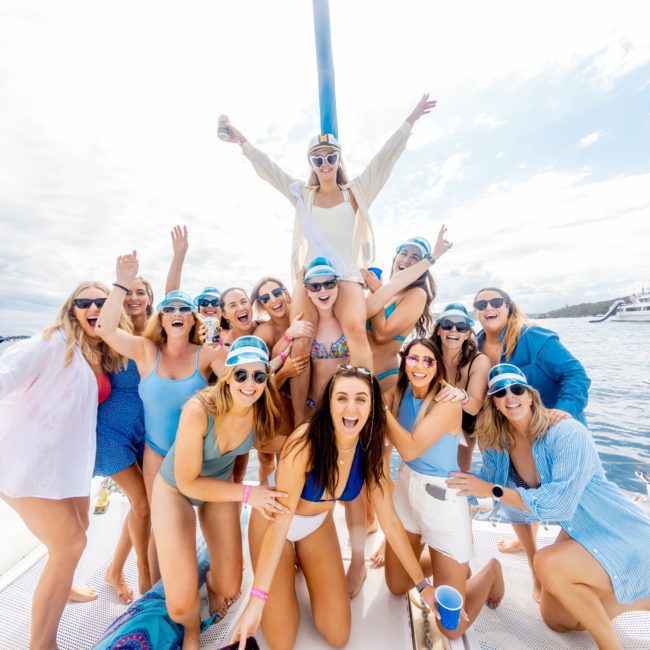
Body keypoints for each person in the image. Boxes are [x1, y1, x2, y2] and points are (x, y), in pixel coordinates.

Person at [222, 94, 438, 425]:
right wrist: (242, 142)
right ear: (311, 163)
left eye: (330, 157)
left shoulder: (357, 191)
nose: (325, 164)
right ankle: (298, 418)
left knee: (354, 329)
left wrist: (410, 120)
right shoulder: (302, 194)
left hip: (347, 275)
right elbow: (270, 171)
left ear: (338, 158)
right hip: (310, 276)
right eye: (318, 159)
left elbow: (385, 160)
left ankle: (365, 404)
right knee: (301, 338)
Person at [229, 366, 439, 650]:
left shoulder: (370, 449)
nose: (351, 408)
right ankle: (286, 565)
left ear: (373, 406)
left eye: (361, 399)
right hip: (273, 522)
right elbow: (280, 523)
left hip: (315, 526)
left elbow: (389, 522)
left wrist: (423, 585)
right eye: (341, 397)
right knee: (282, 643)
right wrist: (257, 598)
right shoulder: (304, 443)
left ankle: (299, 562)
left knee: (338, 635)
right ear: (329, 403)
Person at [448, 364, 650, 650]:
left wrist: (492, 490)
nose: (510, 397)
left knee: (546, 563)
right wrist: (445, 479)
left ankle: (610, 645)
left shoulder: (566, 433)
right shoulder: (498, 442)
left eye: (517, 389)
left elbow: (558, 504)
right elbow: (490, 482)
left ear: (531, 395)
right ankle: (628, 601)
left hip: (616, 530)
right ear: (493, 401)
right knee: (556, 619)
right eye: (499, 392)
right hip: (578, 533)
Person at [0, 281, 129, 649]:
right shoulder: (53, 342)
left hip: (67, 464)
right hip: (25, 462)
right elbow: (6, 374)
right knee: (71, 543)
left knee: (82, 526)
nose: (91, 307)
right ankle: (41, 644)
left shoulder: (102, 351)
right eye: (82, 302)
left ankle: (65, 583)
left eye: (100, 302)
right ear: (72, 310)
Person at [151, 336, 289, 650]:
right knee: (181, 607)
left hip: (221, 488)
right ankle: (191, 631)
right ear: (227, 376)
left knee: (230, 587)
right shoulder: (199, 410)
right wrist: (247, 494)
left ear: (266, 379)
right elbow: (188, 482)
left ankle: (211, 584)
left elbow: (262, 448)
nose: (249, 384)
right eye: (241, 374)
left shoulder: (260, 410)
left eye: (258, 376)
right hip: (176, 489)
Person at [96, 251, 223, 581]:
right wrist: (122, 282)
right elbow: (105, 327)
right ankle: (150, 591)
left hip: (193, 454)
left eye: (185, 309)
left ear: (194, 319)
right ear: (162, 318)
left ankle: (190, 582)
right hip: (154, 452)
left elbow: (241, 392)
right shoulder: (145, 350)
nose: (177, 313)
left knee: (188, 522)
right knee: (157, 524)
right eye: (170, 309)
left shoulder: (209, 354)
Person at [382, 339, 504, 641]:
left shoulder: (447, 403)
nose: (420, 366)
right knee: (396, 585)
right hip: (406, 489)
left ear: (438, 368)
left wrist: (381, 410)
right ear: (404, 361)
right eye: (414, 359)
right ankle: (447, 567)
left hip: (442, 501)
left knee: (451, 628)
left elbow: (409, 448)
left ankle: (489, 571)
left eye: (428, 361)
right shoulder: (399, 392)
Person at [473, 287, 591, 566]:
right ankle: (530, 551)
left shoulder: (534, 337)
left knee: (569, 498)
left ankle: (566, 553)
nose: (488, 307)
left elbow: (575, 374)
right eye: (481, 303)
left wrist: (564, 409)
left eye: (496, 301)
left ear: (508, 306)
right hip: (506, 433)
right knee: (513, 486)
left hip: (548, 430)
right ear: (476, 311)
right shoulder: (474, 345)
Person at [94, 275, 153, 603]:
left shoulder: (159, 331)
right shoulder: (112, 334)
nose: (133, 297)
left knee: (142, 506)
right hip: (111, 430)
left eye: (139, 292)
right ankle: (142, 570)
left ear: (149, 297)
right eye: (126, 292)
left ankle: (114, 570)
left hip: (145, 430)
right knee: (142, 504)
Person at [250, 276, 312, 481]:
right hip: (278, 396)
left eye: (277, 293)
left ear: (286, 292)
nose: (274, 300)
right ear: (261, 305)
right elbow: (258, 369)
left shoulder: (304, 312)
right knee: (275, 460)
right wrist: (288, 337)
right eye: (266, 298)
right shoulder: (264, 331)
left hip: (310, 395)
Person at [363, 236, 437, 390]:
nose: (407, 259)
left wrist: (377, 291)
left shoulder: (417, 294)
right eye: (404, 253)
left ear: (421, 267)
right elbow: (357, 320)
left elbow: (382, 335)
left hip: (383, 378)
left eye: (415, 257)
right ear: (395, 258)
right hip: (357, 374)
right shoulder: (385, 290)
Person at [430, 303, 489, 472]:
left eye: (461, 326)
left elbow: (475, 407)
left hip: (471, 418)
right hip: (439, 412)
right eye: (447, 325)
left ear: (468, 334)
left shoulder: (478, 361)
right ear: (439, 330)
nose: (453, 330)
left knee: (459, 471)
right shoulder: (428, 356)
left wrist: (460, 395)